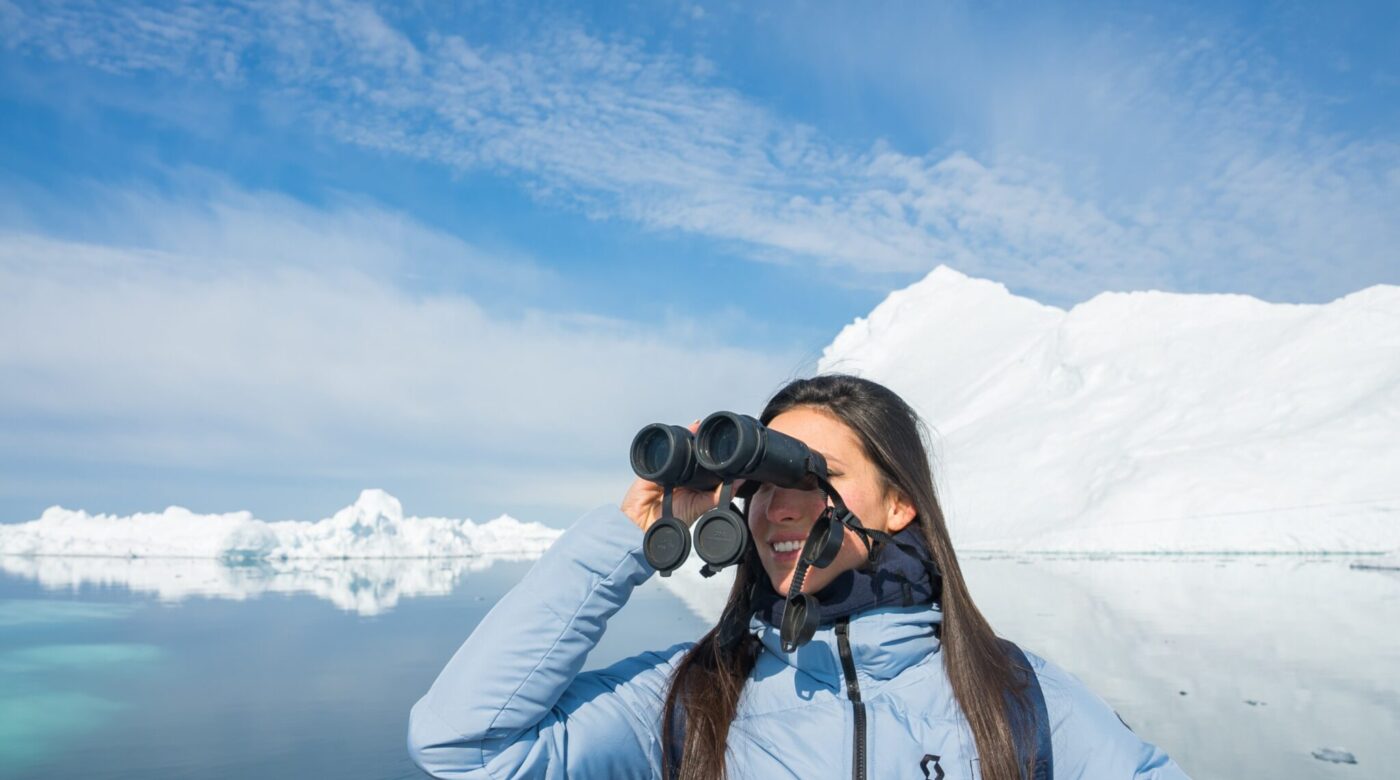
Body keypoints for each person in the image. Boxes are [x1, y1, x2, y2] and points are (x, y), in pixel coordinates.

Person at [408, 374, 1190, 779]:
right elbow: (463, 748)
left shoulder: (1014, 696)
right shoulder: (693, 699)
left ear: (899, 505)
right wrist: (629, 535)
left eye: (814, 476)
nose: (779, 508)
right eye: (761, 483)